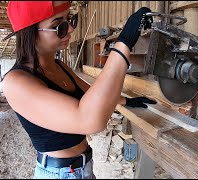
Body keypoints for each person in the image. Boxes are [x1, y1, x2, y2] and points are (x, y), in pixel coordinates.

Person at [2, 1, 156, 179]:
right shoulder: (16, 82)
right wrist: (123, 44)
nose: (70, 30)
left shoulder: (59, 66)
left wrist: (126, 101)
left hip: (83, 167)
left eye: (70, 20)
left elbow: (90, 94)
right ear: (30, 33)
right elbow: (90, 120)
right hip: (58, 174)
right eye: (59, 26)